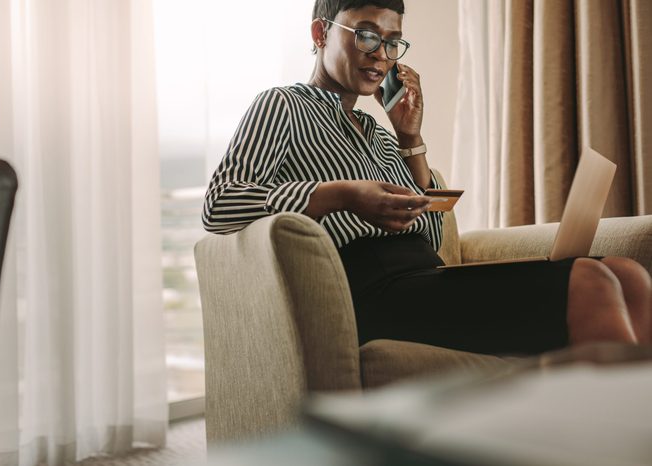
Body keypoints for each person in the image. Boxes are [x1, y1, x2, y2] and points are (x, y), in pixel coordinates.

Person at [202, 0, 652, 355]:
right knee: (589, 282)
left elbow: (432, 238)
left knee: (625, 273)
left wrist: (410, 138)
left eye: (392, 42)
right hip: (370, 291)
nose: (380, 54)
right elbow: (219, 203)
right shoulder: (283, 105)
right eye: (365, 36)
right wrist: (341, 195)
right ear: (321, 33)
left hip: (424, 278)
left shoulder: (379, 134)